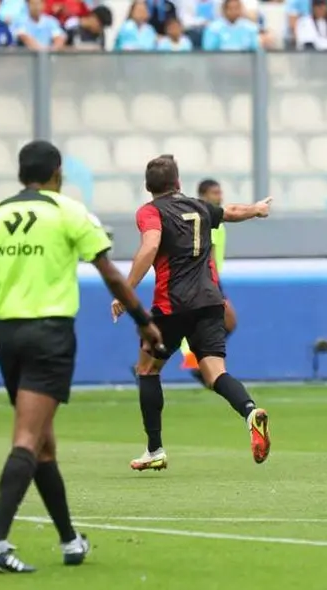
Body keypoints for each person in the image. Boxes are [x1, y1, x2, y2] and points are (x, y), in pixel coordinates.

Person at [0, 140, 164, 573]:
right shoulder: (68, 212)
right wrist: (144, 322)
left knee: (44, 444)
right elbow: (110, 273)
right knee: (27, 438)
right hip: (50, 334)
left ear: (22, 174)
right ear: (57, 172)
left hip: (7, 335)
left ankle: (70, 541)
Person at [111, 156, 273, 471]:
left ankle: (155, 449)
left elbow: (150, 245)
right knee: (215, 373)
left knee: (147, 369)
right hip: (211, 302)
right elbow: (232, 212)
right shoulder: (199, 207)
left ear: (148, 187)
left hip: (172, 306)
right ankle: (250, 410)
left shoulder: (150, 211)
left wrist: (126, 289)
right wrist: (257, 209)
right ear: (178, 183)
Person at [179, 179, 239, 381]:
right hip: (206, 281)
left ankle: (145, 365)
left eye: (220, 192)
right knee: (228, 321)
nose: (220, 196)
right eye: (215, 193)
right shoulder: (206, 220)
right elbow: (208, 256)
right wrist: (215, 287)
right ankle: (203, 362)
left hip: (205, 280)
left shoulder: (215, 218)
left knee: (178, 327)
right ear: (203, 195)